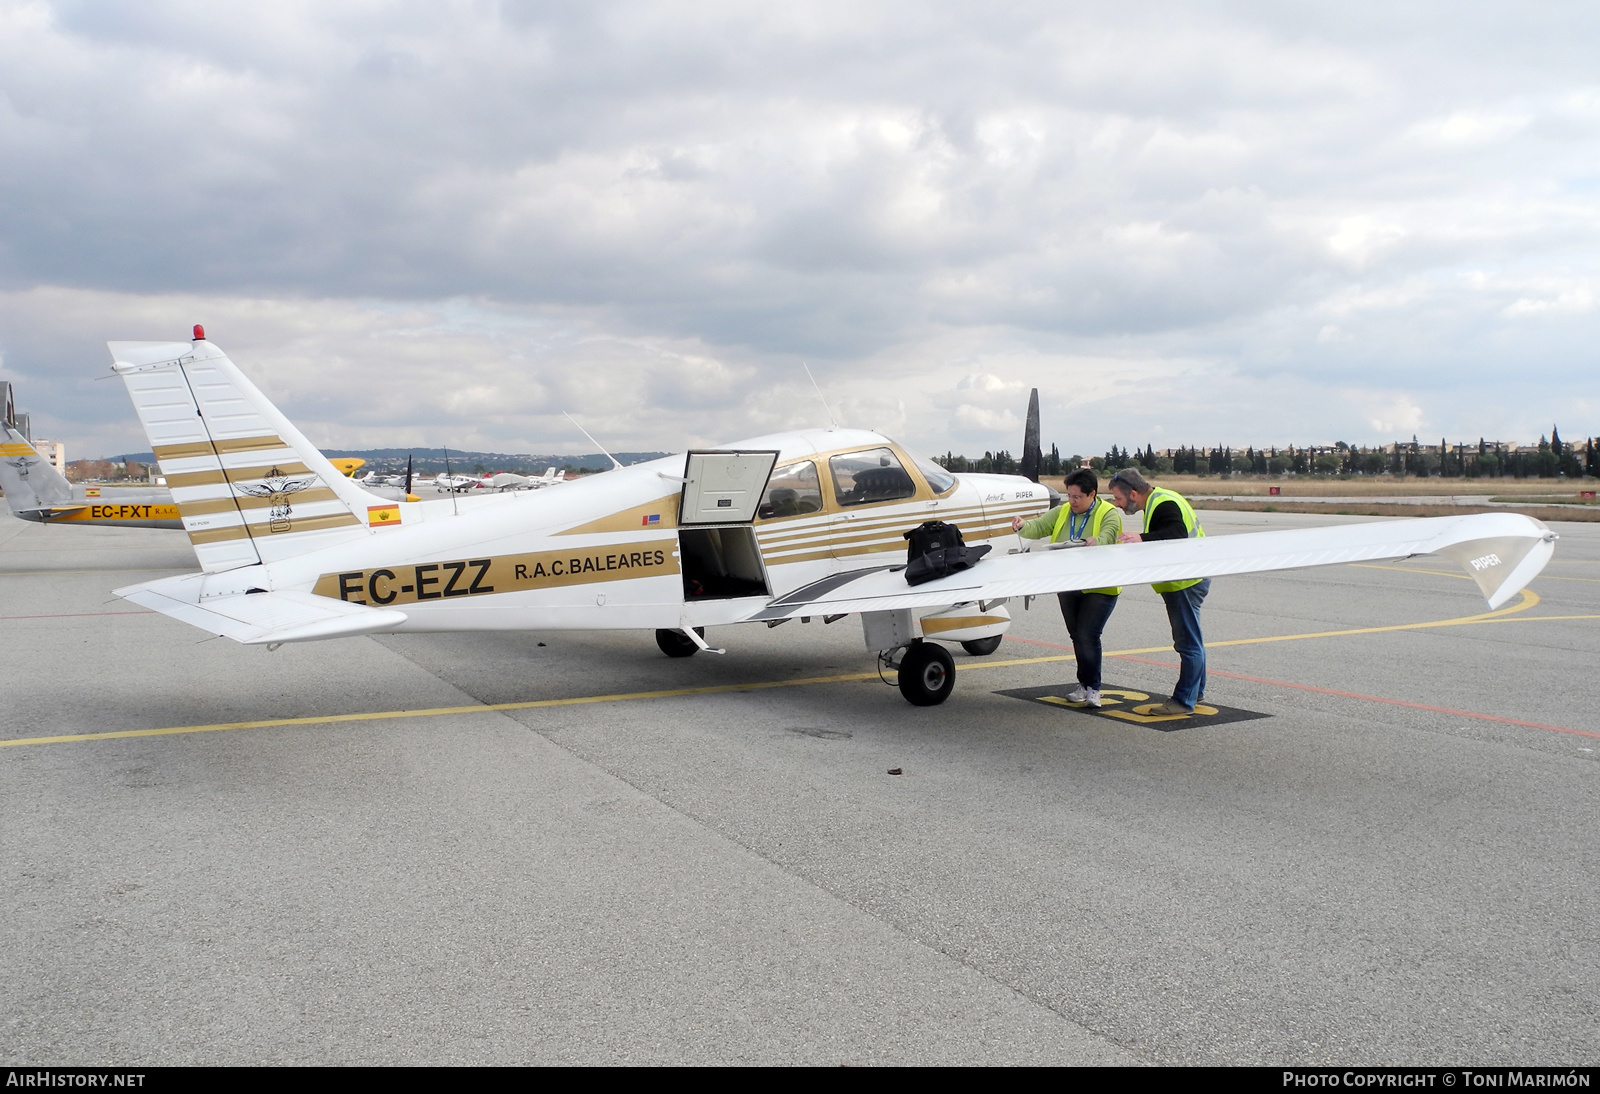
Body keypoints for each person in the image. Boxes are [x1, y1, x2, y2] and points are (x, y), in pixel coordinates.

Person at [1012, 468, 1122, 708]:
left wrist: (1096, 542)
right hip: (1068, 583)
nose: (1071, 501)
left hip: (1099, 587)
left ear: (1092, 494)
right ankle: (1084, 685)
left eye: (1077, 497)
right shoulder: (1063, 511)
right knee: (1077, 636)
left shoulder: (1109, 513)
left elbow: (1108, 537)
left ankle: (1094, 688)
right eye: (1069, 495)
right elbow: (1039, 526)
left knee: (1088, 634)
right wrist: (1022, 525)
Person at [1107, 468, 1209, 716]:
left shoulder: (1163, 504)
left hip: (1184, 581)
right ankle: (1196, 692)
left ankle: (1184, 701)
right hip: (1191, 576)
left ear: (1133, 493)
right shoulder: (1162, 498)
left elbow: (1177, 534)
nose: (1118, 505)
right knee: (1192, 639)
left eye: (1119, 499)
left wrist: (1142, 538)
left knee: (1188, 643)